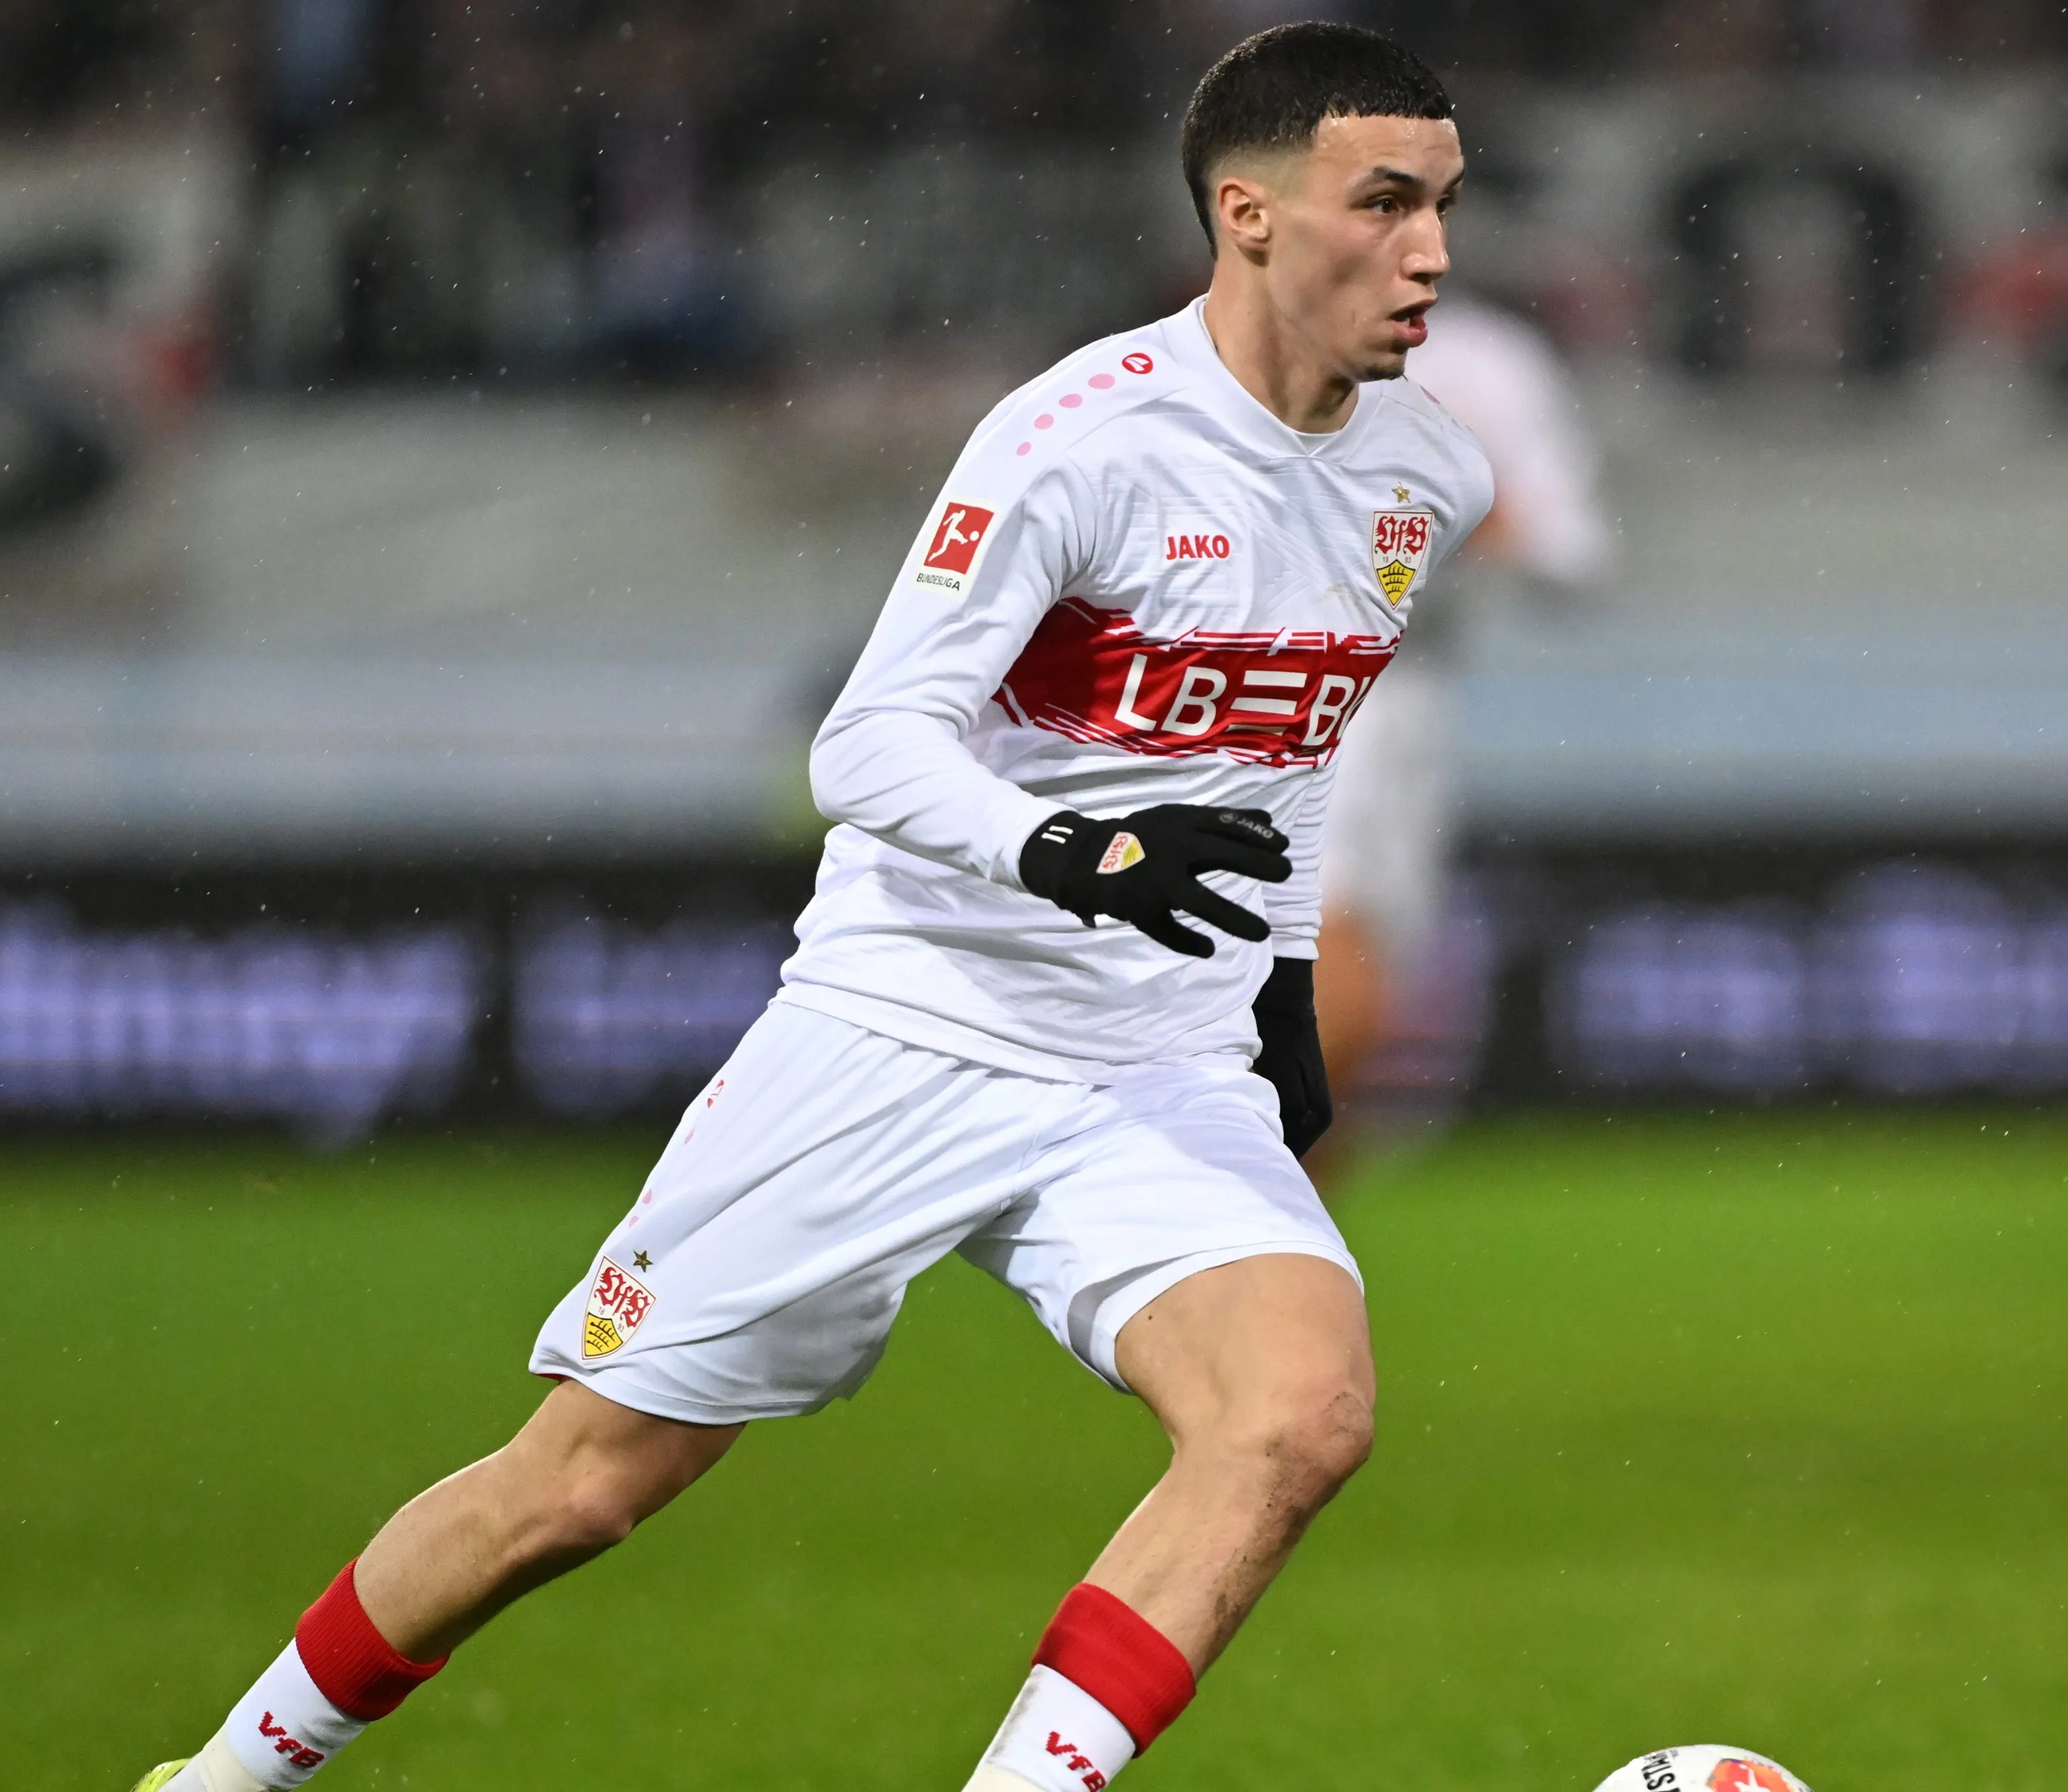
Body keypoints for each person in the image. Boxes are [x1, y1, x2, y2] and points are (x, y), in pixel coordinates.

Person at [129, 23, 1489, 1792]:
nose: (1433, 253)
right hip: (905, 1025)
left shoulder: (1424, 476)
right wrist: (1069, 854)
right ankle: (227, 1774)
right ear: (1246, 213)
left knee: (1298, 1413)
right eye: (1382, 204)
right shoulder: (1082, 441)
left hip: (1152, 1064)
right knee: (583, 1483)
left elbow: (1290, 756)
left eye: (1447, 206)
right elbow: (868, 748)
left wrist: (1285, 982)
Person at [1312, 289, 1611, 1137]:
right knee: (1314, 961)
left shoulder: (1486, 361)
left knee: (1365, 1000)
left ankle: (1290, 1246)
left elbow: (1570, 552)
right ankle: (1223, 1229)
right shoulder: (1237, 337)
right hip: (1276, 678)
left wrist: (1468, 509)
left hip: (1410, 689)